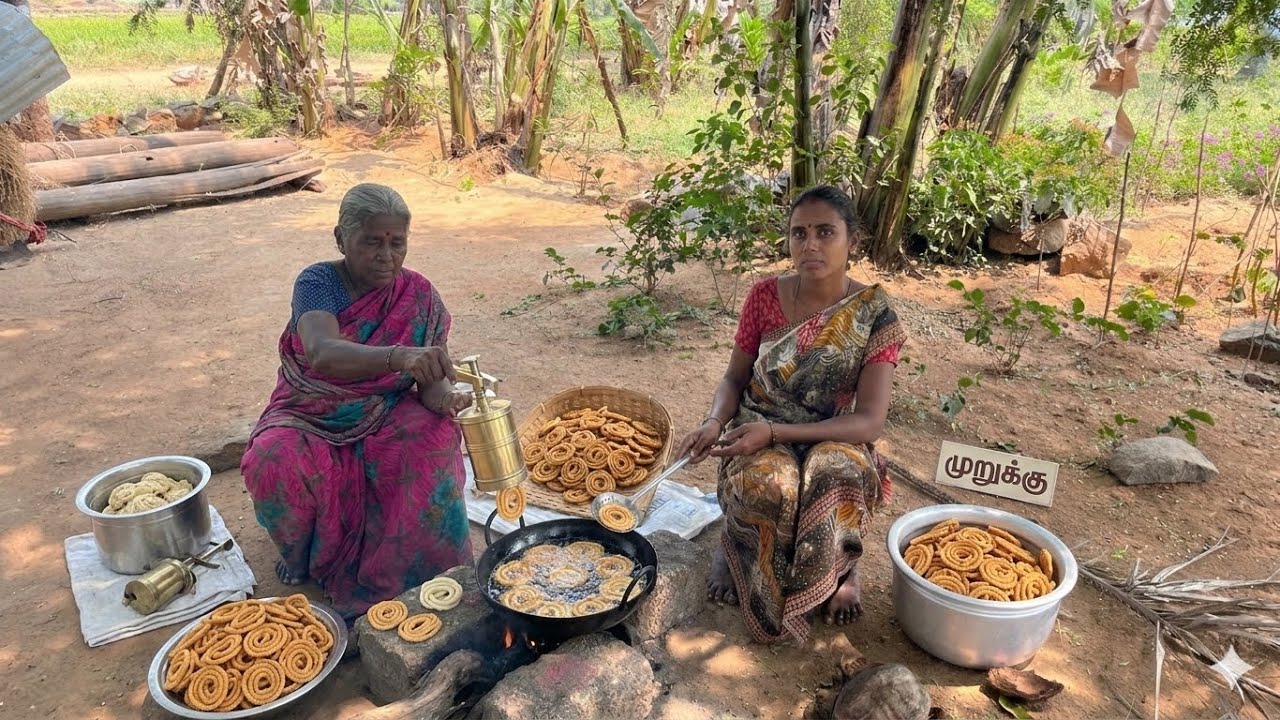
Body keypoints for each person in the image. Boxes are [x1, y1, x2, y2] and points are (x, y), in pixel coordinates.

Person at [675, 185, 906, 644]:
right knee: (769, 484)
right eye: (799, 234)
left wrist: (777, 432)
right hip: (757, 425)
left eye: (825, 232)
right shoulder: (763, 297)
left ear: (853, 241)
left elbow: (869, 422)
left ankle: (841, 571)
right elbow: (733, 380)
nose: (811, 245)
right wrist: (715, 422)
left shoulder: (876, 315)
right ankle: (737, 548)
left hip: (833, 433)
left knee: (836, 472)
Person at [241, 183, 474, 620]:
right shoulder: (319, 282)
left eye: (396, 242)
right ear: (341, 239)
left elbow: (429, 387)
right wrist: (398, 356)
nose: (386, 255)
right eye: (372, 241)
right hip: (310, 411)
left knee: (434, 435)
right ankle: (300, 555)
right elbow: (322, 351)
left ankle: (411, 566)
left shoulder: (419, 296)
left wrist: (447, 400)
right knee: (274, 460)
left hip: (383, 407)